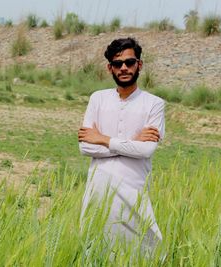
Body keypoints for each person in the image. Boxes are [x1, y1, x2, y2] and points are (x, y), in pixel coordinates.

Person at [78, 37, 165, 253]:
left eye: (130, 62)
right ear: (110, 68)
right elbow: (85, 147)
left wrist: (104, 139)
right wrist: (132, 143)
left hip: (133, 192)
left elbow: (147, 150)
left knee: (146, 252)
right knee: (95, 250)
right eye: (117, 64)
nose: (124, 68)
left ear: (139, 65)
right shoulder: (97, 99)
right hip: (98, 192)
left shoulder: (154, 104)